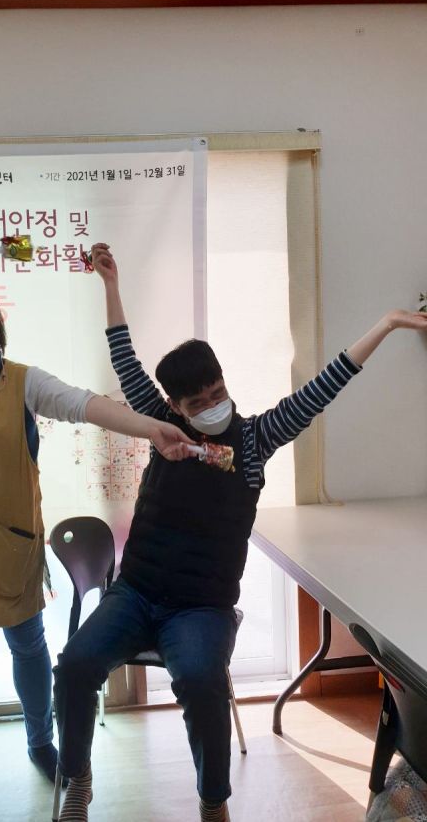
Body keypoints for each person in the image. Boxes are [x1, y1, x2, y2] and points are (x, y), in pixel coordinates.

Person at [53, 242, 427, 822]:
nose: (213, 406)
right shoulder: (161, 428)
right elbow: (124, 357)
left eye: (218, 393)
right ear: (175, 406)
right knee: (75, 666)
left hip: (201, 607)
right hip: (136, 594)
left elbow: (326, 384)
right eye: (198, 402)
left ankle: (213, 801)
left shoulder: (253, 441)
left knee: (202, 680)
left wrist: (388, 323)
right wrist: (110, 285)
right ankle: (77, 778)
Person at [0, 239, 194, 821]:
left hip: (9, 543)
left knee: (28, 648)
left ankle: (39, 741)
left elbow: (84, 404)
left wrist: (150, 428)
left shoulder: (24, 382)